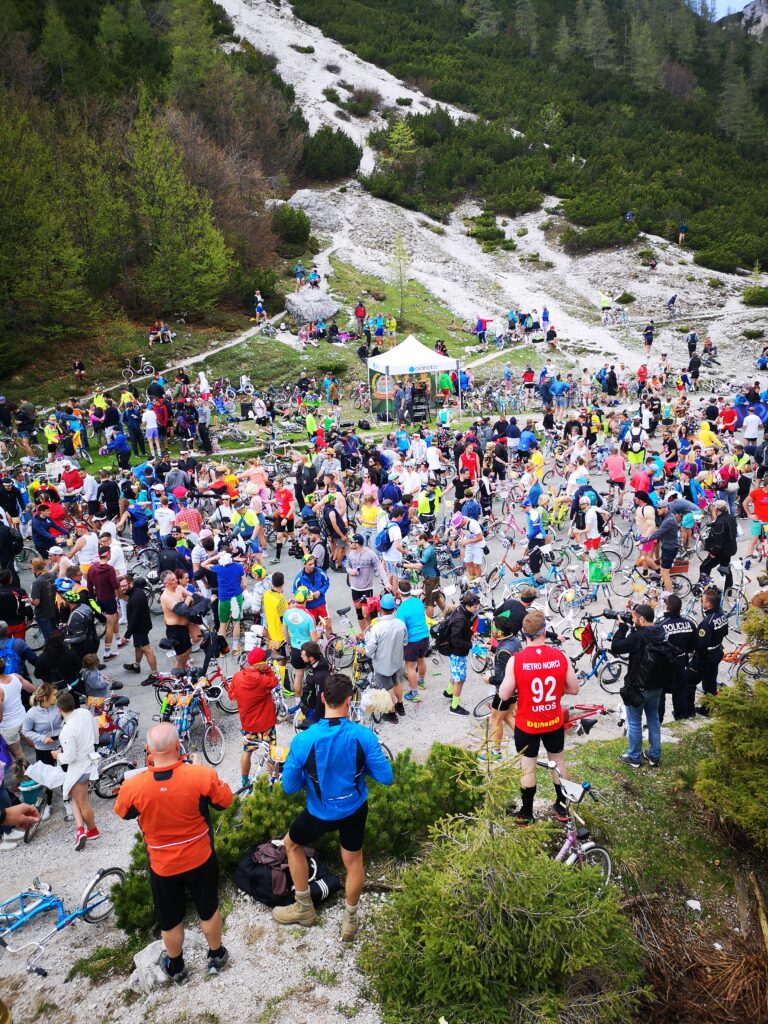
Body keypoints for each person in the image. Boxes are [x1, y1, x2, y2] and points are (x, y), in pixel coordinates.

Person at [272, 671, 393, 940]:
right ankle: (350, 921)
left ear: (324, 698)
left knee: (291, 844)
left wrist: (307, 773)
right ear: (349, 701)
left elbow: (289, 787)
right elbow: (386, 777)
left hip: (319, 812)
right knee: (354, 861)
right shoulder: (364, 736)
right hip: (354, 809)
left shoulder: (304, 740)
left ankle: (304, 909)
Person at [114, 722, 234, 982]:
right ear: (178, 745)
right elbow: (225, 800)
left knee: (170, 919)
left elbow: (123, 812)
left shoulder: (134, 786)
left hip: (162, 864)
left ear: (148, 749)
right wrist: (202, 769)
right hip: (200, 856)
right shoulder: (200, 776)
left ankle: (177, 967)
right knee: (208, 908)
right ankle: (216, 954)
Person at [498, 610, 579, 823]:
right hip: (553, 720)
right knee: (558, 761)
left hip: (527, 724)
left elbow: (504, 694)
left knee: (528, 767)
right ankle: (562, 808)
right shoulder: (560, 656)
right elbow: (574, 689)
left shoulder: (516, 660)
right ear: (544, 632)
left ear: (524, 634)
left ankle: (526, 813)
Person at [610, 604, 669, 768]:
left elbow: (616, 646)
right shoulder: (660, 632)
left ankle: (634, 757)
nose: (633, 620)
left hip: (638, 686)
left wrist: (622, 627)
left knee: (635, 721)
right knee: (654, 719)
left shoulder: (638, 636)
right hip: (656, 685)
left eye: (635, 618)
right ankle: (654, 755)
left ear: (642, 619)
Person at [52, 690, 99, 849]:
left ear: (59, 709)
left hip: (78, 768)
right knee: (75, 799)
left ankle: (92, 830)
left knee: (83, 803)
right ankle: (80, 829)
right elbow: (95, 731)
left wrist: (58, 755)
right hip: (90, 759)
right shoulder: (84, 713)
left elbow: (69, 757)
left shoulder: (66, 731)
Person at [230, 647, 279, 788]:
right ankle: (272, 784)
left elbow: (232, 696)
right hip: (266, 725)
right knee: (271, 753)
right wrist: (267, 670)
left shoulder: (237, 676)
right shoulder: (263, 679)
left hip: (248, 724)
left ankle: (244, 781)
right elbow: (274, 682)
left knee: (247, 751)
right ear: (260, 663)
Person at [478, 616, 521, 763]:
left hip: (504, 691)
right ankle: (526, 742)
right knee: (509, 717)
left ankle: (496, 753)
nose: (492, 630)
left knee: (495, 719)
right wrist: (493, 648)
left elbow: (502, 679)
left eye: (494, 628)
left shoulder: (503, 651)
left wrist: (488, 679)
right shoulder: (514, 640)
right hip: (516, 689)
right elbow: (508, 653)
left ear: (500, 632)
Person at [365, 593, 407, 723]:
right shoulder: (400, 624)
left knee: (387, 689)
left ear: (380, 609)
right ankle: (400, 705)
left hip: (383, 664)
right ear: (394, 608)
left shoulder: (377, 628)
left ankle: (391, 713)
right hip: (397, 661)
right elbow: (405, 642)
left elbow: (370, 649)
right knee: (397, 682)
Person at [688, 586, 728, 715]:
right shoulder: (722, 614)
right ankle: (707, 709)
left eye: (703, 601)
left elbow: (701, 645)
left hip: (705, 657)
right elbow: (725, 631)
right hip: (717, 653)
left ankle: (688, 711)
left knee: (689, 682)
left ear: (708, 604)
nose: (701, 603)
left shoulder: (706, 623)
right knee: (710, 683)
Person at [657, 594, 696, 722]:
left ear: (667, 607)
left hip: (664, 664)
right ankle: (681, 718)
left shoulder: (661, 625)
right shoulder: (689, 624)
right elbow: (692, 646)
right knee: (680, 693)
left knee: (660, 694)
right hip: (680, 662)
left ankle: (658, 721)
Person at [443, 591, 480, 717]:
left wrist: (470, 633)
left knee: (455, 673)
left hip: (455, 653)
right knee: (460, 679)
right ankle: (454, 706)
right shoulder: (461, 619)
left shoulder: (461, 610)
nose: (477, 609)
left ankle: (448, 692)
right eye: (475, 607)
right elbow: (456, 639)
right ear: (468, 606)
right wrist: (470, 645)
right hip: (458, 653)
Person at [396, 579, 430, 702]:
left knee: (410, 666)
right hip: (425, 636)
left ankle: (414, 693)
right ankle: (421, 681)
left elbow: (401, 629)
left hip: (412, 640)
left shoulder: (401, 610)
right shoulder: (418, 602)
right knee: (421, 659)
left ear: (399, 593)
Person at [282, 589, 319, 699]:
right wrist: (319, 633)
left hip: (295, 648)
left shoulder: (287, 613)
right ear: (307, 598)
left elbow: (284, 632)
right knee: (312, 676)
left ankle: (298, 702)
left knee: (298, 675)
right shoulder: (309, 617)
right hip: (308, 650)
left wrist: (289, 643)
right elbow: (314, 639)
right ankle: (311, 700)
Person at [346, 534, 388, 631]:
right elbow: (347, 566)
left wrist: (386, 583)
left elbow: (380, 568)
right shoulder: (351, 554)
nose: (349, 544)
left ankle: (371, 632)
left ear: (357, 543)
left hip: (367, 588)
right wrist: (350, 571)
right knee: (359, 613)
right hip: (355, 588)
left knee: (366, 613)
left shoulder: (371, 554)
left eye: (351, 542)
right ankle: (364, 635)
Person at [122, 576, 158, 685]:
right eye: (121, 586)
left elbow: (134, 619)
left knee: (147, 649)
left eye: (124, 586)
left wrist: (126, 635)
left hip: (140, 627)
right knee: (138, 646)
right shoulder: (137, 592)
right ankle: (136, 666)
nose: (122, 588)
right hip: (141, 626)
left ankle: (155, 675)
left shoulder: (135, 598)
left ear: (131, 584)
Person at [0, 653, 36, 758]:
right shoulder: (15, 677)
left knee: (18, 755)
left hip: (8, 727)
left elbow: (0, 717)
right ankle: (47, 755)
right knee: (33, 742)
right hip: (23, 717)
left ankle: (27, 773)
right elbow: (32, 689)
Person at [699, 499, 738, 593]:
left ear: (717, 509)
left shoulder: (720, 523)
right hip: (730, 548)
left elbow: (718, 541)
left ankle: (702, 589)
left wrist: (712, 552)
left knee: (704, 567)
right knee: (725, 568)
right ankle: (728, 591)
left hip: (721, 551)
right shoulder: (731, 518)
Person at [160, 571, 193, 669]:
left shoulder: (178, 588)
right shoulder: (165, 596)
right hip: (174, 629)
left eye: (175, 578)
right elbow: (180, 611)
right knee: (181, 655)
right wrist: (188, 600)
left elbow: (193, 595)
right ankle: (178, 675)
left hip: (184, 627)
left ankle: (182, 669)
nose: (176, 580)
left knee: (188, 649)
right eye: (173, 579)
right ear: (166, 583)